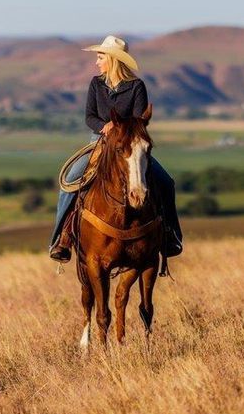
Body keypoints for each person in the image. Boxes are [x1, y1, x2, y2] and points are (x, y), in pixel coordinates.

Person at [48, 35, 184, 267]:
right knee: (69, 181)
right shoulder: (96, 83)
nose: (97, 61)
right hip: (99, 142)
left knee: (165, 182)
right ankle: (61, 239)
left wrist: (120, 127)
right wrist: (104, 126)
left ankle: (171, 236)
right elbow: (89, 116)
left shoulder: (136, 86)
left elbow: (140, 120)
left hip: (129, 144)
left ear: (112, 59)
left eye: (100, 57)